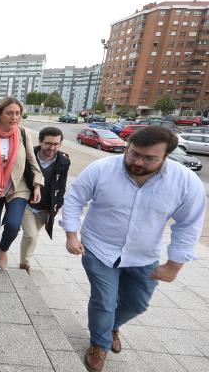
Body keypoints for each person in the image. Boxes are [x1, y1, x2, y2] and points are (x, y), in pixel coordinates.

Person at [61, 126, 206, 372]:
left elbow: (189, 223)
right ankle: (99, 344)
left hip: (144, 255)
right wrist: (71, 235)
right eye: (134, 153)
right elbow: (75, 198)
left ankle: (110, 326)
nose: (138, 162)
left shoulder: (184, 182)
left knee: (138, 303)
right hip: (99, 248)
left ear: (166, 156)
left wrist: (174, 264)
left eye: (150, 158)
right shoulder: (102, 169)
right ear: (127, 146)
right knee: (104, 301)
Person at [0, 98, 43, 270]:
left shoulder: (23, 133)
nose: (14, 117)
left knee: (12, 225)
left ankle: (3, 249)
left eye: (17, 113)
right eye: (9, 113)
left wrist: (38, 184)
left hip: (18, 187)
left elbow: (33, 162)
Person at [19, 127, 70, 273]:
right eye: (48, 143)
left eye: (56, 144)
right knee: (31, 234)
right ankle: (24, 264)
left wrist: (56, 206)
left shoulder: (64, 161)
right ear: (40, 141)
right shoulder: (29, 155)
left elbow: (62, 186)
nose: (52, 147)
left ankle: (25, 260)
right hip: (26, 203)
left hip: (46, 208)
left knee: (33, 236)